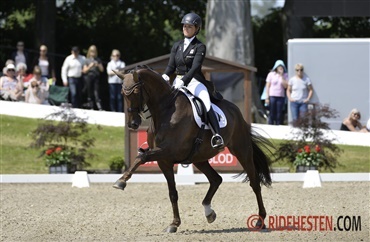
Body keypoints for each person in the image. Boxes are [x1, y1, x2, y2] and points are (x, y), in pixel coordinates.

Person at [161, 13, 224, 149]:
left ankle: (217, 136)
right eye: (184, 26)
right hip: (178, 81)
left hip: (194, 82)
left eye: (189, 26)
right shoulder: (177, 45)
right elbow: (171, 66)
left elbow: (195, 67)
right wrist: (165, 75)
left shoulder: (200, 47)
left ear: (197, 28)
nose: (186, 28)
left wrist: (184, 80)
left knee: (206, 104)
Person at [264, 60, 288, 125]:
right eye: (279, 66)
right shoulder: (271, 74)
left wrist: (282, 76)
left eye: (282, 67)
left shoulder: (285, 75)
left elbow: (286, 86)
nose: (281, 68)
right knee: (272, 112)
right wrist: (267, 97)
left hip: (281, 96)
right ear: (276, 67)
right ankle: (270, 124)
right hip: (272, 96)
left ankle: (278, 124)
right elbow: (268, 86)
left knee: (279, 112)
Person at [83, 45, 104, 110]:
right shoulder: (87, 60)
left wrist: (98, 65)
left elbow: (102, 70)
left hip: (96, 77)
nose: (93, 53)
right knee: (89, 91)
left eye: (94, 51)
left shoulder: (98, 60)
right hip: (89, 76)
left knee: (96, 92)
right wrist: (90, 66)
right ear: (89, 52)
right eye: (92, 51)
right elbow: (84, 71)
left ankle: (99, 106)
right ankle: (90, 106)